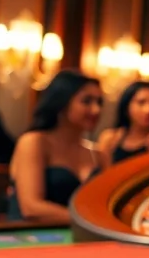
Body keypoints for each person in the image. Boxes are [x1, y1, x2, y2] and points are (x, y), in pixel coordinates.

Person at [7, 70, 106, 221]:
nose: (96, 110)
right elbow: (31, 207)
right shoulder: (34, 141)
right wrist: (91, 221)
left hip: (81, 238)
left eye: (99, 103)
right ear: (61, 102)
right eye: (86, 101)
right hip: (28, 236)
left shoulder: (98, 153)